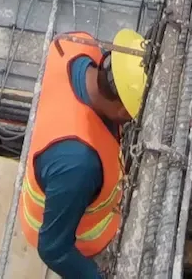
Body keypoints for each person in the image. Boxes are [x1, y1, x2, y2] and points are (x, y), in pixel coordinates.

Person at [19, 28, 147, 279]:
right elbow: (54, 249)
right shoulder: (79, 164)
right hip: (80, 240)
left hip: (58, 173)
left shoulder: (75, 45)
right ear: (122, 110)